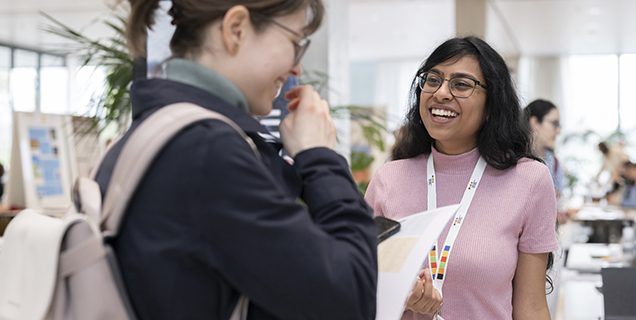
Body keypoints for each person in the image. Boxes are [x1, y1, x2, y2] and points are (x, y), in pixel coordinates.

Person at [94, 1, 377, 319]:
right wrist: (319, 155)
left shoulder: (158, 130)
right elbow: (351, 298)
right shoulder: (208, 153)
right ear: (236, 29)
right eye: (295, 43)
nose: (297, 67)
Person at [365, 36, 557, 319]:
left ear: (492, 104)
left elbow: (531, 307)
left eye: (461, 84)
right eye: (432, 80)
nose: (441, 92)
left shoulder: (529, 180)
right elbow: (359, 292)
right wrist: (400, 298)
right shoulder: (388, 179)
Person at [525, 99, 563, 194]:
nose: (558, 131)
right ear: (535, 122)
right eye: (554, 123)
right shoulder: (513, 162)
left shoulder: (555, 163)